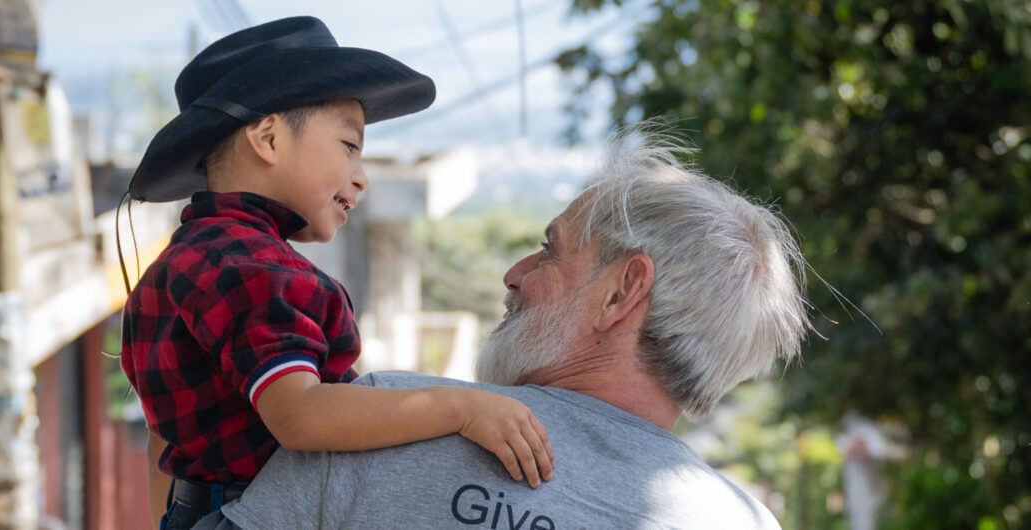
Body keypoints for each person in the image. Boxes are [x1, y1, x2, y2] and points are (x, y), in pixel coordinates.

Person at [192, 130, 812, 529]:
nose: (513, 274)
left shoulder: (372, 422)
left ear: (621, 293)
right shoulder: (741, 522)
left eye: (549, 251)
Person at [119, 17, 554, 530]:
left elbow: (163, 439)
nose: (361, 176)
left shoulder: (180, 263)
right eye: (350, 145)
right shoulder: (259, 272)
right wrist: (461, 406)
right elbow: (302, 415)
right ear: (268, 138)